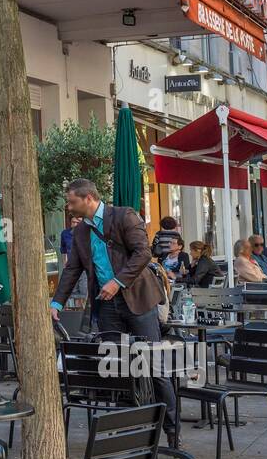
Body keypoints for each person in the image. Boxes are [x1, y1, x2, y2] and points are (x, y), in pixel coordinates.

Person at [50, 178, 178, 439]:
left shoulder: (123, 216)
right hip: (107, 305)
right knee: (116, 367)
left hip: (138, 300)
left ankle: (172, 432)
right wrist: (56, 302)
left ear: (88, 198)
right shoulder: (81, 232)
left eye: (72, 201)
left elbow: (143, 253)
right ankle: (128, 428)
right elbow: (73, 268)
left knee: (154, 365)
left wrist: (117, 282)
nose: (69, 207)